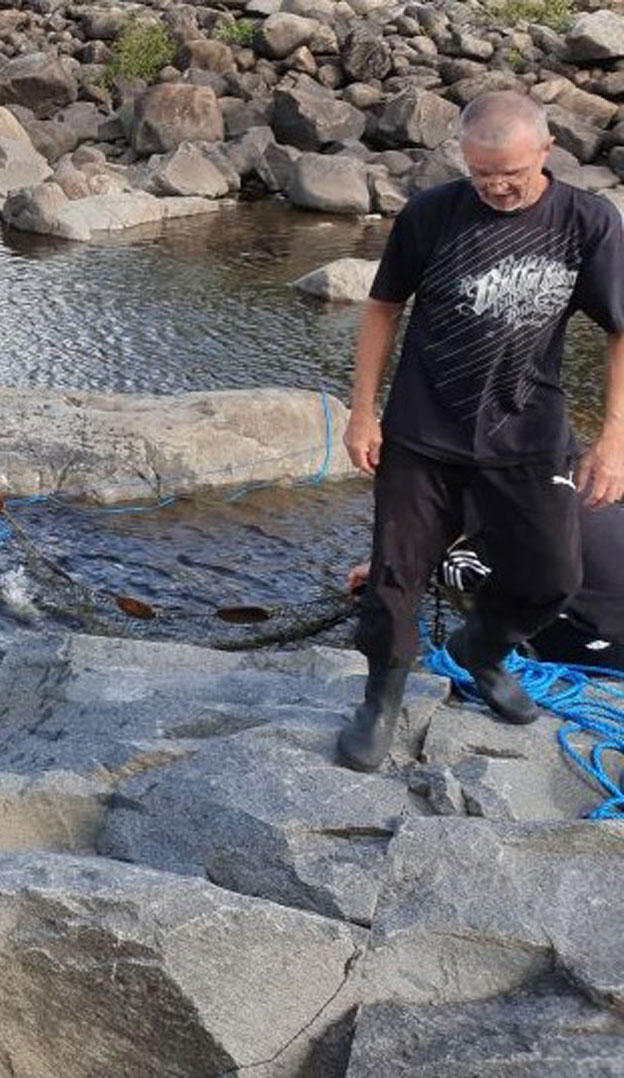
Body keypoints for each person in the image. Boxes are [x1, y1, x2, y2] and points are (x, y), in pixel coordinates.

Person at [337, 91, 624, 772]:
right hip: (423, 430)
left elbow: (620, 330)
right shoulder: (432, 215)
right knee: (393, 580)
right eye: (481, 173)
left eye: (512, 174)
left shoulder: (588, 221)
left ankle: (483, 650)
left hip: (528, 432)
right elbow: (382, 309)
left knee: (553, 574)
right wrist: (362, 410)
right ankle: (380, 699)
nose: (496, 186)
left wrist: (614, 438)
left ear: (546, 152)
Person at [347, 500, 624, 666]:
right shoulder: (549, 480)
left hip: (606, 644)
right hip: (606, 605)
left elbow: (456, 561)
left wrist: (396, 571)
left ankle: (500, 657)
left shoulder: (490, 513)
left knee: (461, 576)